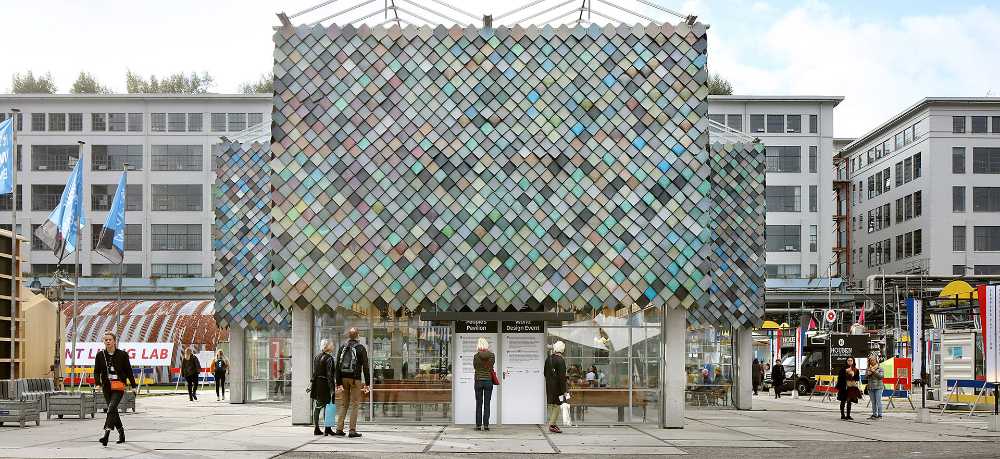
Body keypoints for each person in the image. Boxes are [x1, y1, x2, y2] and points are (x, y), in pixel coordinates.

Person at [93, 331, 136, 446]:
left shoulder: (122, 355)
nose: (107, 341)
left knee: (111, 408)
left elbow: (129, 371)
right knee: (113, 411)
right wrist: (97, 383)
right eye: (105, 340)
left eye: (109, 339)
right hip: (106, 387)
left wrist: (134, 386)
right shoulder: (100, 355)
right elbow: (96, 371)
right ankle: (121, 433)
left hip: (119, 386)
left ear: (114, 341)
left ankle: (106, 435)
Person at [335, 327, 370, 438]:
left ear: (349, 336)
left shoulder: (342, 348)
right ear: (358, 336)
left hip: (343, 379)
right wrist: (367, 383)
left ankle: (339, 429)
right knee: (355, 404)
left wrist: (338, 382)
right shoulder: (360, 348)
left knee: (344, 404)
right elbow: (365, 366)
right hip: (355, 380)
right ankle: (352, 430)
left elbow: (337, 366)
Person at [310, 339, 336, 436]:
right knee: (328, 406)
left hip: (317, 384)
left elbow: (315, 372)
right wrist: (332, 389)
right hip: (325, 385)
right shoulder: (329, 358)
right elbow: (330, 375)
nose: (333, 346)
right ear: (327, 346)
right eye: (332, 344)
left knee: (317, 406)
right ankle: (327, 429)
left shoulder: (317, 357)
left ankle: (316, 428)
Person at [544, 341, 568, 434]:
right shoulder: (561, 360)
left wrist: (550, 380)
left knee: (551, 404)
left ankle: (553, 424)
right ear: (562, 349)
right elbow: (562, 377)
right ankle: (552, 424)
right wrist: (564, 390)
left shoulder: (548, 359)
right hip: (558, 387)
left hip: (549, 385)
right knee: (558, 405)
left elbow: (545, 373)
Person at [472, 337, 496, 431]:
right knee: (487, 403)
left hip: (478, 381)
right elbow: (491, 366)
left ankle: (478, 425)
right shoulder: (492, 355)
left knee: (479, 403)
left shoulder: (476, 356)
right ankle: (486, 425)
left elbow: (475, 367)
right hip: (488, 381)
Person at [867, 355, 885, 420]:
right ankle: (874, 414)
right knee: (873, 402)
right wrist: (868, 373)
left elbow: (881, 376)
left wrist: (873, 371)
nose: (872, 361)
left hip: (878, 387)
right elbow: (866, 376)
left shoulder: (880, 368)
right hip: (871, 387)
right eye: (870, 360)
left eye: (873, 360)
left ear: (876, 360)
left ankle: (880, 415)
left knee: (878, 401)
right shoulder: (868, 368)